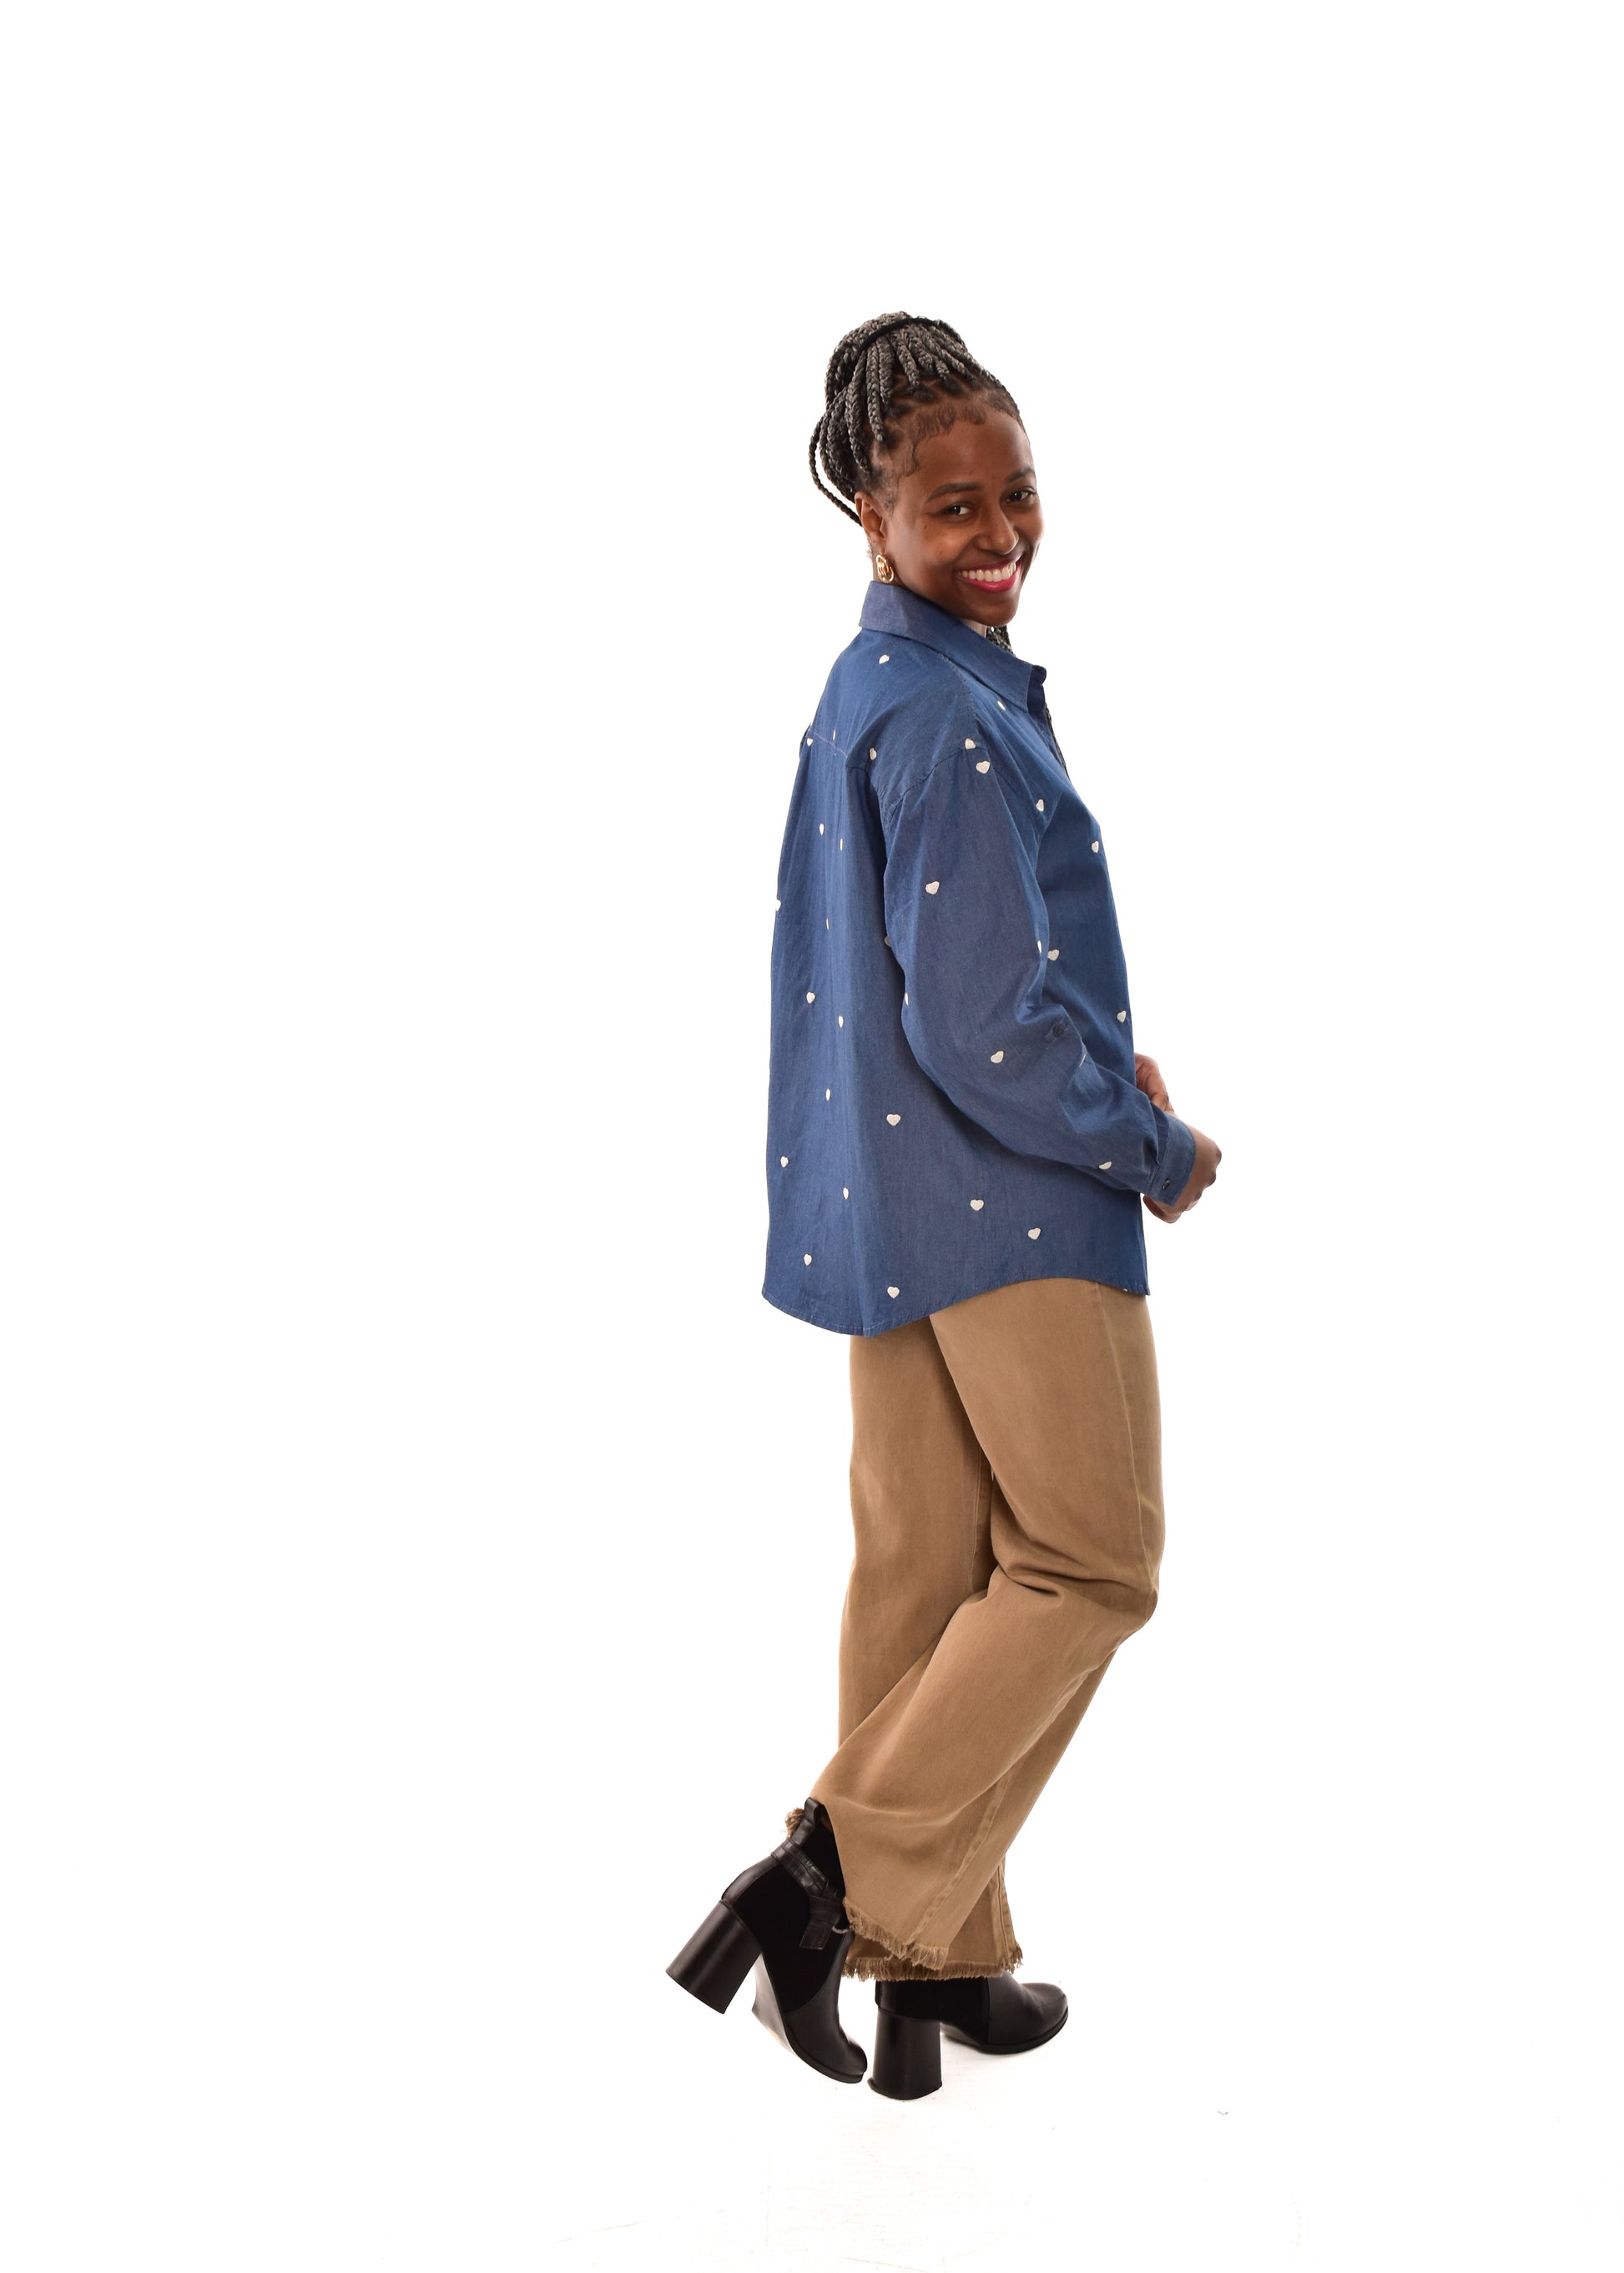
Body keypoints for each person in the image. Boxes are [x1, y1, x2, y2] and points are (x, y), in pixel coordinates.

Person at [667, 312, 1221, 2100]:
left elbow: (928, 986)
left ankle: (934, 1964)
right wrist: (1145, 1142)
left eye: (1019, 494)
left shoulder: (872, 686)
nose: (1000, 535)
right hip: (1012, 1208)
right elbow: (984, 1024)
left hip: (889, 1201)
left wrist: (1077, 1056)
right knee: (1088, 1563)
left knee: (927, 1573)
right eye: (954, 509)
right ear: (873, 518)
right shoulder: (951, 720)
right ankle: (819, 1884)